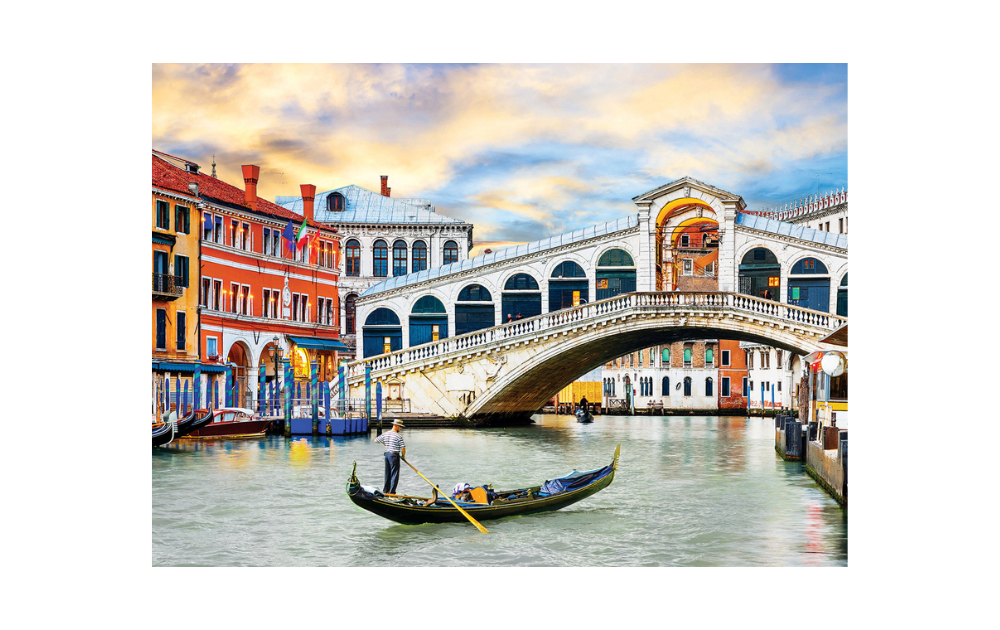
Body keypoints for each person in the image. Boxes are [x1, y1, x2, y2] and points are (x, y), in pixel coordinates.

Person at [375, 419, 406, 494]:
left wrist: (385, 444)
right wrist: (403, 456)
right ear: (396, 426)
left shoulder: (386, 434)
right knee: (394, 474)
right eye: (400, 427)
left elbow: (376, 440)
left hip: (387, 454)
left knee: (387, 473)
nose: (401, 428)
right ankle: (392, 492)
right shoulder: (398, 436)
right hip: (394, 455)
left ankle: (385, 491)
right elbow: (403, 448)